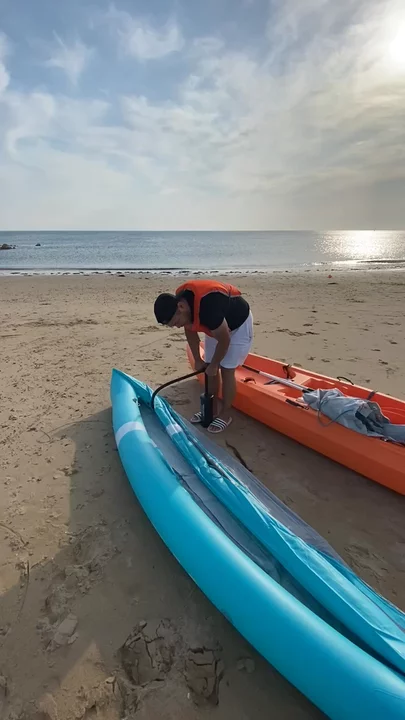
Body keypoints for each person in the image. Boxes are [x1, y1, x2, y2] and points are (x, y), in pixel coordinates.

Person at [153, 279, 253, 433]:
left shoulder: (209, 309)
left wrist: (215, 364)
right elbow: (189, 329)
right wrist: (198, 360)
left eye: (176, 322)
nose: (177, 326)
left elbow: (224, 340)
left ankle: (226, 413)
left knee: (226, 369)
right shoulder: (183, 305)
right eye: (174, 325)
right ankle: (211, 409)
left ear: (181, 307)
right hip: (216, 326)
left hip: (238, 324)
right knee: (208, 367)